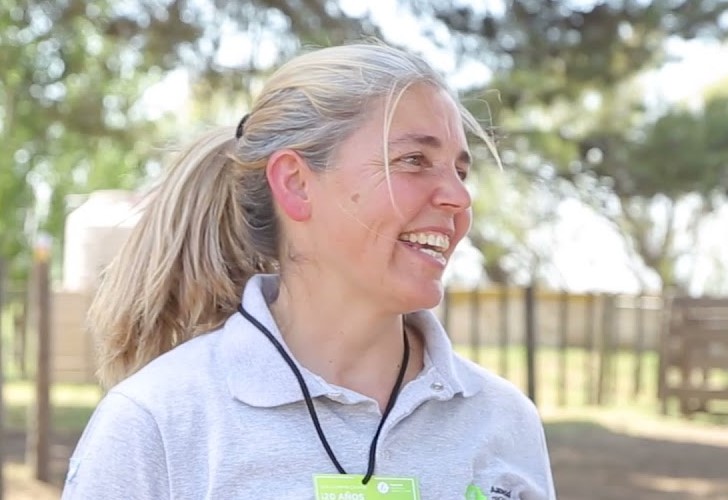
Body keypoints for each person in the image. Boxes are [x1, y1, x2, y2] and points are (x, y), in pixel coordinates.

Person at [61, 41, 556, 499]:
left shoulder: (503, 420)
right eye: (413, 160)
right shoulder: (157, 423)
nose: (459, 197)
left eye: (461, 171)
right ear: (296, 183)